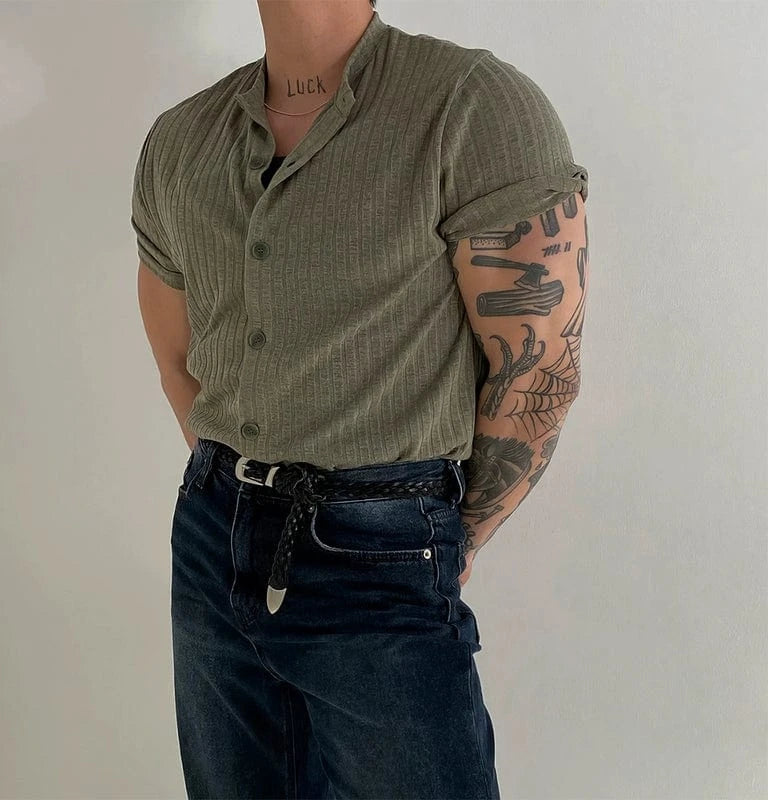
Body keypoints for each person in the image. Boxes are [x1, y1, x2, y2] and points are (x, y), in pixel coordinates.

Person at [131, 0, 589, 797]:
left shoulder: (472, 109)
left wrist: (440, 536)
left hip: (384, 550)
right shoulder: (181, 140)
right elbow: (179, 358)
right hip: (211, 541)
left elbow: (540, 367)